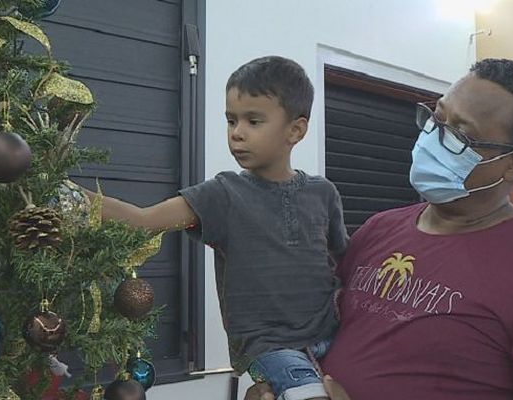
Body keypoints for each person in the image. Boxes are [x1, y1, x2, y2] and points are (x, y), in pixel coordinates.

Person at [246, 58, 513, 400]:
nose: (435, 138)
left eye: (461, 134)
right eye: (437, 117)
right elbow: (325, 328)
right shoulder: (380, 228)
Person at [87, 56, 349, 400]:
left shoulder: (323, 192)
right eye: (231, 120)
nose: (237, 133)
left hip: (334, 334)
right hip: (268, 346)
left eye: (253, 121)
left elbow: (346, 259)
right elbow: (143, 221)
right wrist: (66, 195)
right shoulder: (222, 194)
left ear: (295, 130)